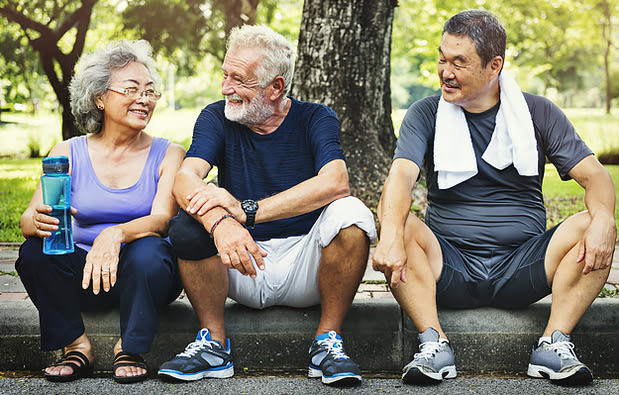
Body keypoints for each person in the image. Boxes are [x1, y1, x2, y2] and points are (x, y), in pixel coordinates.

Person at [373, 9, 615, 387]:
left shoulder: (537, 112)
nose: (445, 72)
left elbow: (595, 176)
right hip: (448, 265)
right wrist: (389, 233)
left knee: (597, 223)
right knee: (395, 217)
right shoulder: (426, 113)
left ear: (494, 66)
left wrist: (603, 219)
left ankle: (554, 344)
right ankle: (433, 344)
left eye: (459, 62)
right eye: (441, 58)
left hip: (524, 266)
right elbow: (401, 175)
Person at [157, 25, 376, 386]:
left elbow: (336, 182)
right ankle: (213, 344)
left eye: (239, 79)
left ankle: (327, 342)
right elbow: (185, 179)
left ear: (276, 87)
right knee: (187, 222)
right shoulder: (216, 117)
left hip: (306, 265)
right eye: (225, 75)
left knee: (352, 213)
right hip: (239, 263)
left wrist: (247, 211)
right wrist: (222, 224)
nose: (226, 87)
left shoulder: (315, 117)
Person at [16, 40, 185, 384]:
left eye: (150, 91)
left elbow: (162, 220)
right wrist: (38, 221)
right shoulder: (68, 151)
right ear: (99, 97)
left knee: (151, 249)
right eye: (132, 89)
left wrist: (116, 233)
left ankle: (130, 347)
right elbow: (26, 221)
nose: (145, 99)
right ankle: (76, 346)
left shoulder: (169, 153)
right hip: (82, 277)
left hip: (144, 279)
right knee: (34, 252)